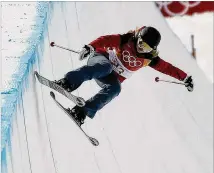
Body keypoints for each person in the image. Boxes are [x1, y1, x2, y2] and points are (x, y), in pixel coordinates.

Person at [56, 26, 194, 125]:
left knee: (116, 88)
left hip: (109, 77)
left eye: (146, 47)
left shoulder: (149, 59)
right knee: (106, 66)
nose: (141, 47)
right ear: (137, 37)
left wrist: (184, 77)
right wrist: (90, 47)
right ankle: (67, 82)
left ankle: (82, 112)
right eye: (140, 43)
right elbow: (107, 39)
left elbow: (166, 68)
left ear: (152, 50)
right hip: (100, 60)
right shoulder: (127, 40)